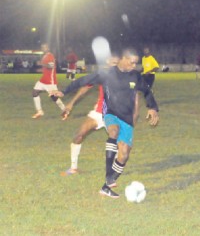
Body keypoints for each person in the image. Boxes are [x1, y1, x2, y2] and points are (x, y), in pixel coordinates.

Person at [51, 48, 159, 198]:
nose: (134, 66)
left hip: (126, 117)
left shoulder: (135, 76)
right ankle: (106, 174)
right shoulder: (107, 74)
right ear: (123, 59)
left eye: (136, 63)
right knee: (111, 131)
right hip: (108, 112)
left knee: (124, 154)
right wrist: (65, 91)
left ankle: (107, 185)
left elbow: (146, 91)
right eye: (132, 62)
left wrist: (152, 108)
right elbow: (84, 81)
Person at [60, 53, 140, 176]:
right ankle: (73, 168)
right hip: (99, 112)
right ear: (107, 62)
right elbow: (85, 88)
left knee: (122, 145)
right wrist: (71, 103)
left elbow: (134, 98)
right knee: (79, 135)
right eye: (112, 63)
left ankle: (114, 170)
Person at [32, 43, 66, 119]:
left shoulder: (50, 56)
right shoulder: (44, 56)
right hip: (43, 80)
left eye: (45, 47)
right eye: (42, 47)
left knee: (54, 97)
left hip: (50, 81)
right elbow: (46, 68)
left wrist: (41, 64)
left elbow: (51, 66)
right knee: (35, 92)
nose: (43, 48)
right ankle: (39, 111)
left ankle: (64, 110)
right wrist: (41, 69)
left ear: (48, 48)